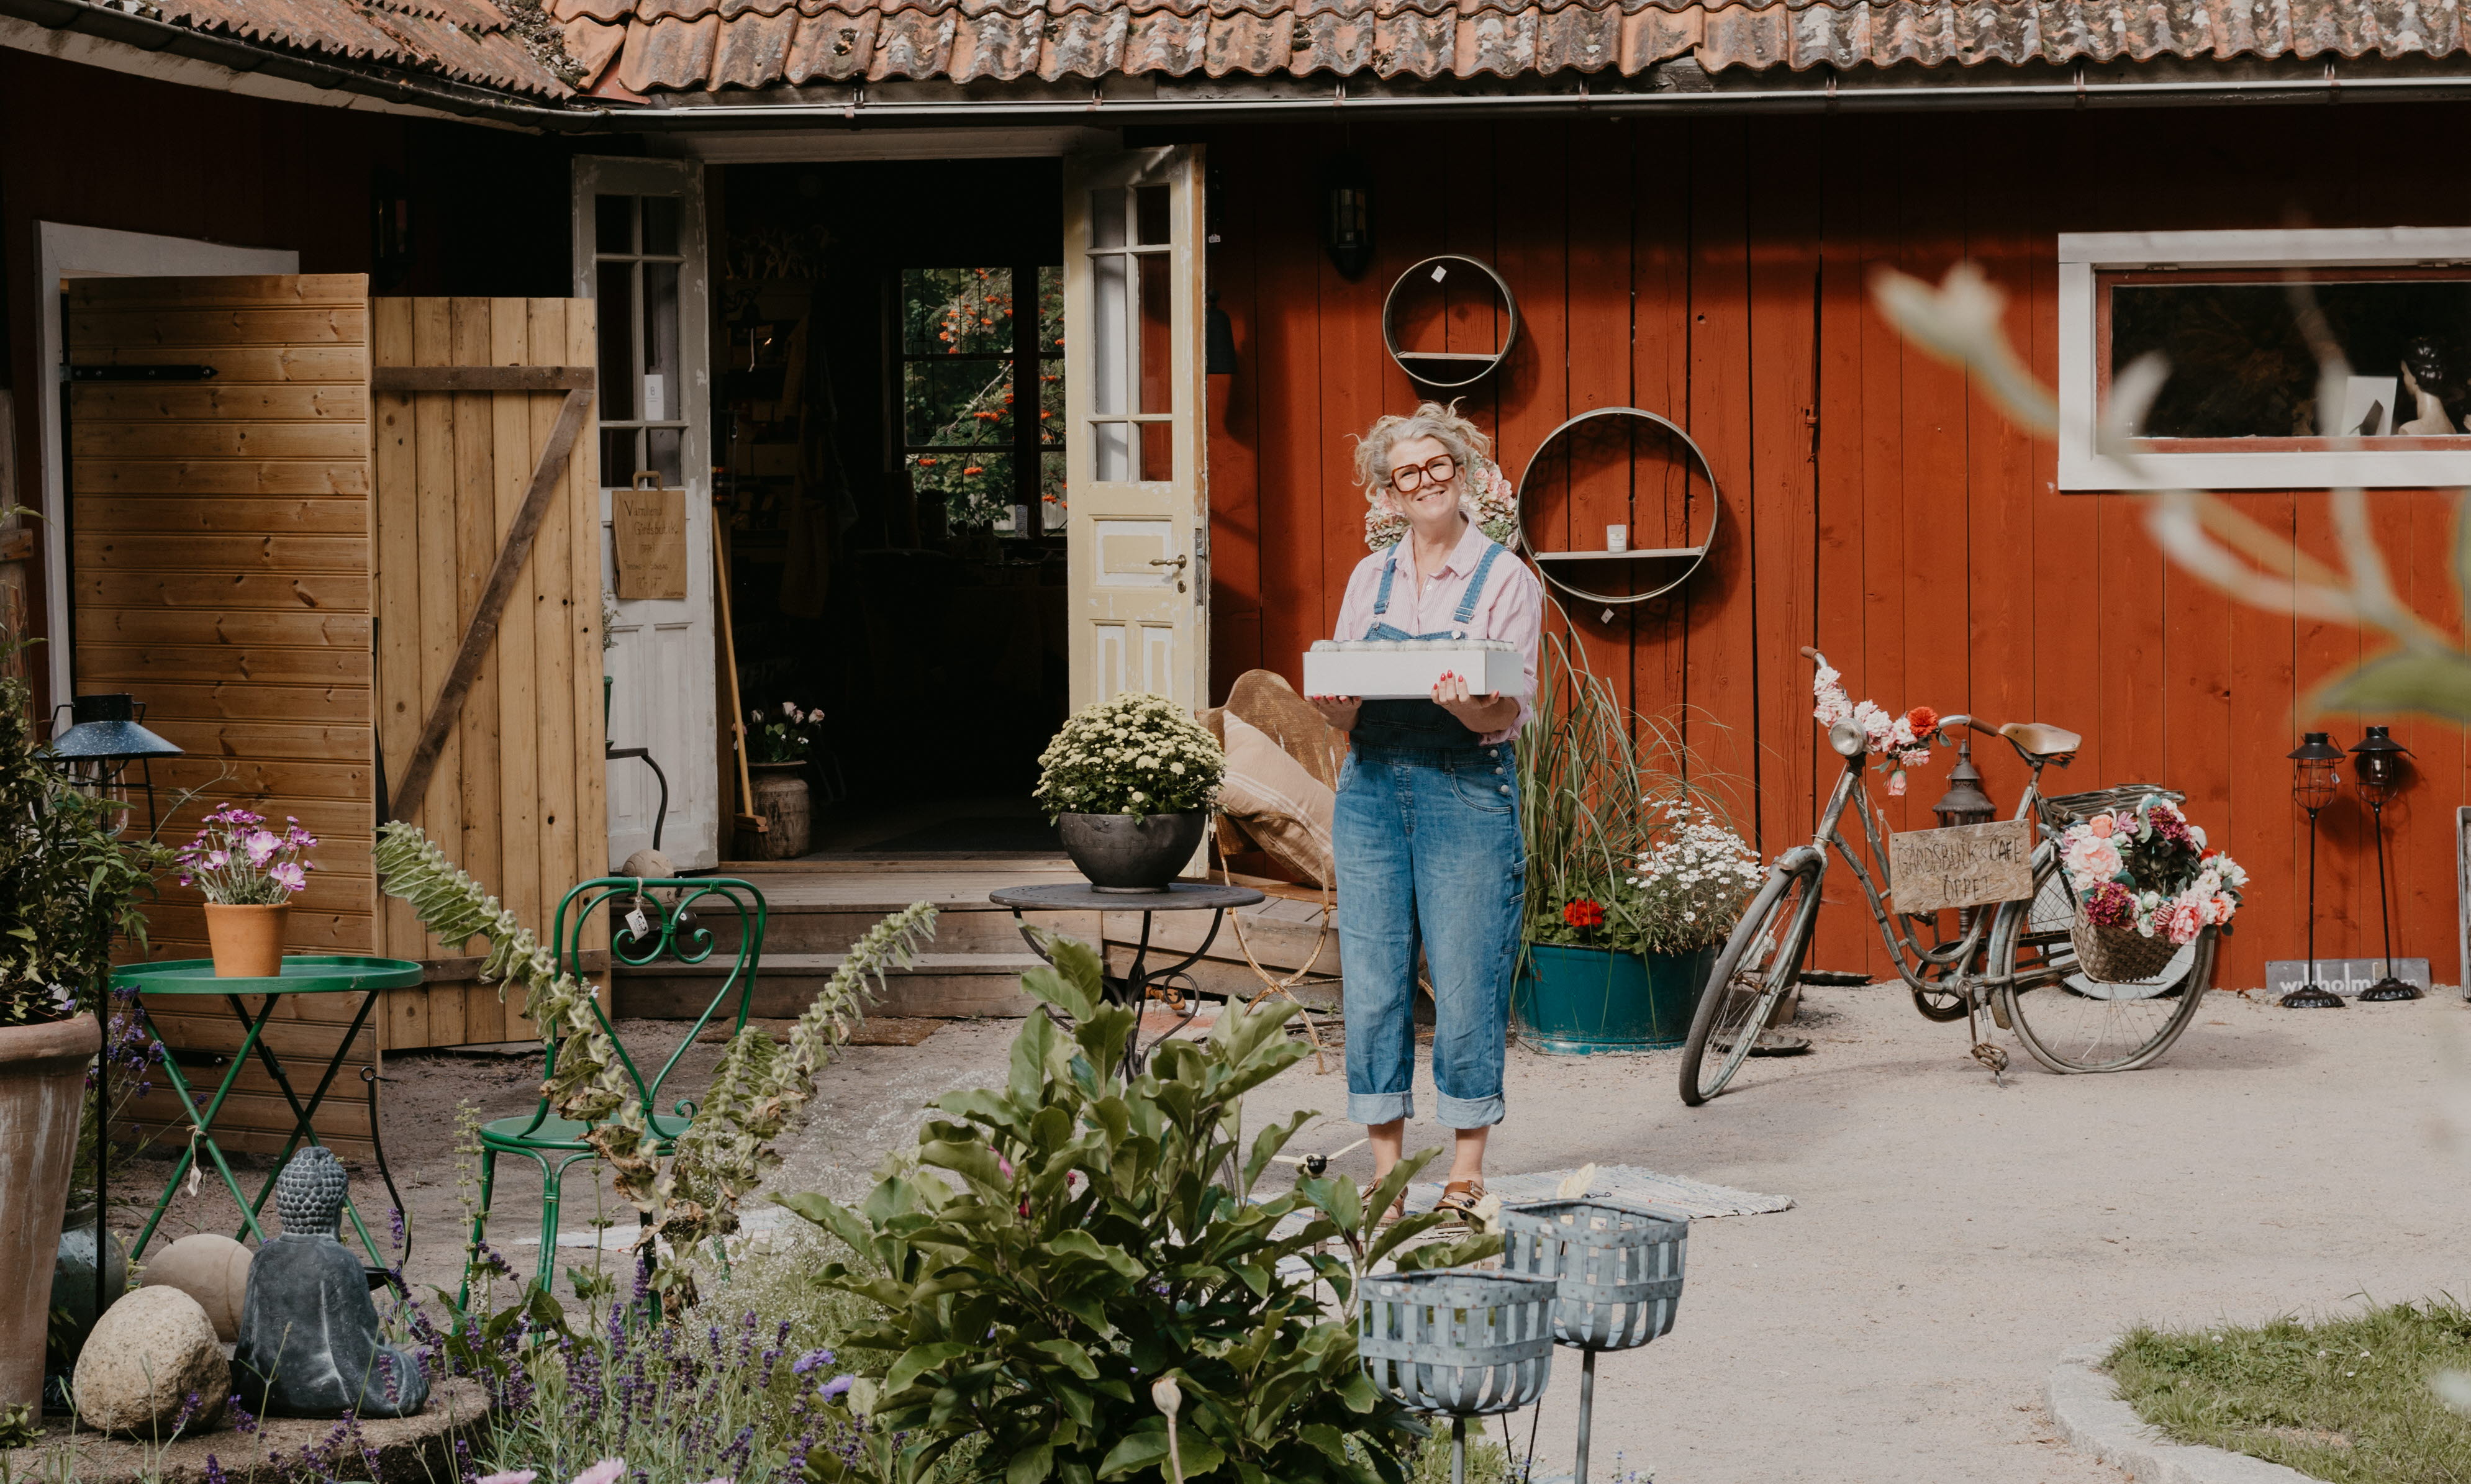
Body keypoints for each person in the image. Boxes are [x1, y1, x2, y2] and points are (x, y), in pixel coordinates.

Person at [1307, 403, 1543, 1224]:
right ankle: (1386, 1167)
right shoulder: (1365, 580)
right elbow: (1341, 708)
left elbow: (1504, 712)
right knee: (1372, 982)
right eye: (1408, 473)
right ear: (1388, 492)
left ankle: (1467, 1168)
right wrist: (1336, 705)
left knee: (1468, 975)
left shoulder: (1506, 578)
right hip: (1370, 788)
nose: (1426, 482)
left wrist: (1469, 706)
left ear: (1464, 472)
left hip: (1465, 785)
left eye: (1438, 466)